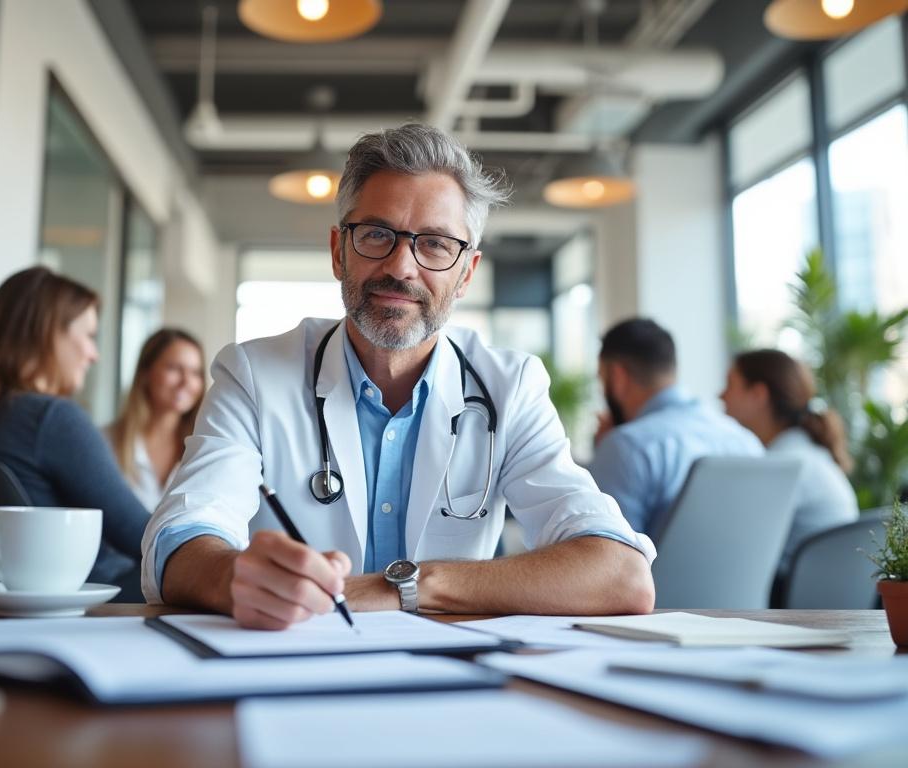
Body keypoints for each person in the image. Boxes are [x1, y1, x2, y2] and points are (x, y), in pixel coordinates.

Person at [141, 123, 656, 629]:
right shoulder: (254, 374)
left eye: (433, 244)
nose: (401, 266)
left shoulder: (511, 387)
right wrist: (233, 576)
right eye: (376, 235)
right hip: (292, 668)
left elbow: (622, 575)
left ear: (466, 274)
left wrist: (408, 586)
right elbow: (179, 538)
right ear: (339, 251)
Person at [0, 267, 150, 599]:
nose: (93, 354)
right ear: (48, 333)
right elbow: (147, 538)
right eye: (89, 336)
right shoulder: (51, 419)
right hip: (88, 605)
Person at [588, 318, 762, 540]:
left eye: (602, 381)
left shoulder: (627, 446)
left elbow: (605, 560)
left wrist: (608, 451)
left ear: (617, 377)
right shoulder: (746, 441)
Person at [720, 349, 858, 575]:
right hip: (823, 598)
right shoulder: (807, 453)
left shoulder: (782, 465)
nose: (721, 395)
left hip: (793, 603)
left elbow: (738, 550)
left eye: (730, 385)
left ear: (758, 394)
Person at [106, 329, 205, 512]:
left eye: (196, 373)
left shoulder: (206, 448)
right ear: (145, 373)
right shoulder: (106, 442)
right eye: (174, 368)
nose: (186, 382)